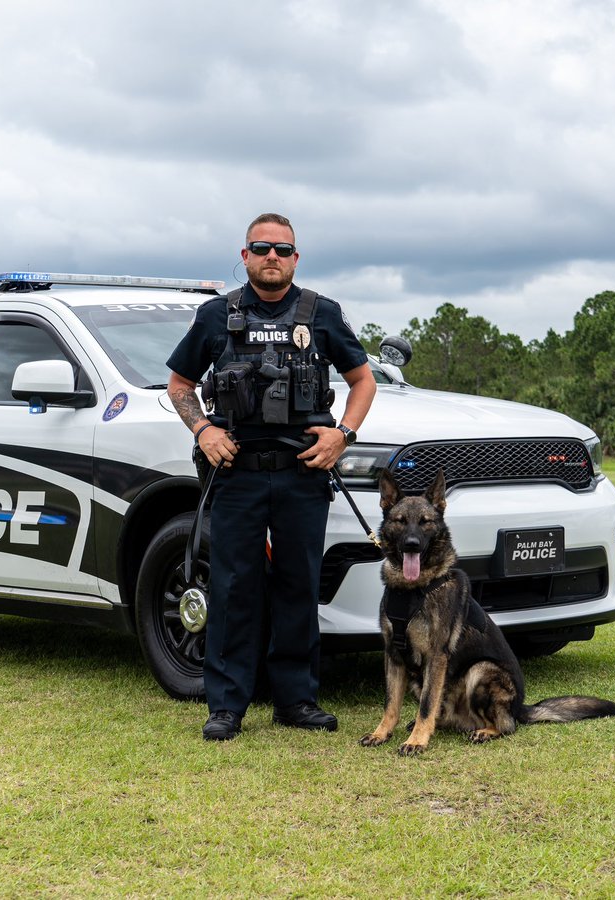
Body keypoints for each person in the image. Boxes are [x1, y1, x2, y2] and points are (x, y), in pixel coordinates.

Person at [166, 213, 376, 741]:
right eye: (261, 248)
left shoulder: (321, 313)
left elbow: (363, 380)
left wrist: (343, 435)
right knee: (233, 587)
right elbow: (179, 384)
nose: (272, 257)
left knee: (298, 586)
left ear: (296, 258)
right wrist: (203, 430)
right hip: (235, 471)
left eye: (282, 249)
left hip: (302, 472)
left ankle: (296, 700)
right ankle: (226, 706)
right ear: (245, 256)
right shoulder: (217, 315)